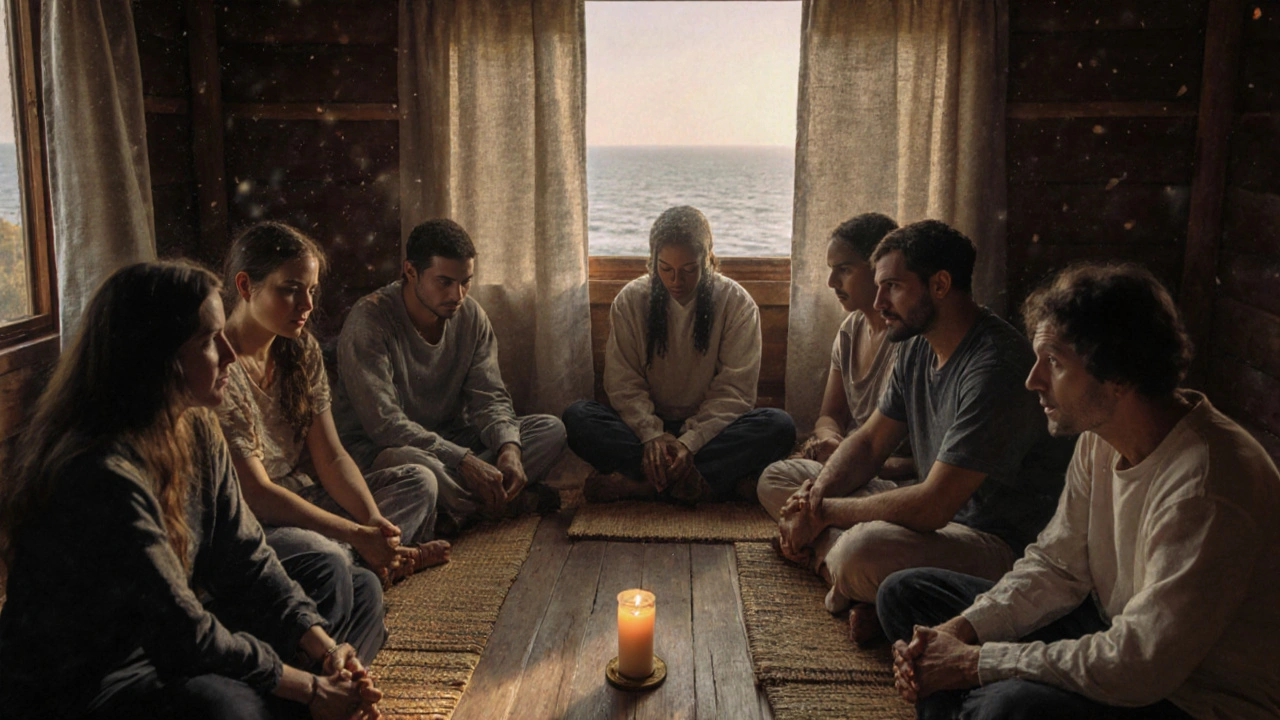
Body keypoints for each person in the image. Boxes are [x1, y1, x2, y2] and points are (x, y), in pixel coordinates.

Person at [879, 263, 1280, 720]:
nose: (1033, 380)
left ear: (1119, 374)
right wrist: (959, 633)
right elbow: (1058, 566)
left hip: (1192, 696)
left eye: (1054, 363)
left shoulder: (1208, 484)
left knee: (1007, 707)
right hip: (1113, 632)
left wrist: (976, 664)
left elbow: (1141, 663)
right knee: (908, 596)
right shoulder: (1100, 433)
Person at [0, 261, 383, 719]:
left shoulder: (197, 427)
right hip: (94, 680)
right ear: (154, 358)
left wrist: (326, 653)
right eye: (206, 341)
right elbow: (182, 633)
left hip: (178, 638)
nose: (227, 353)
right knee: (226, 707)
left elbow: (246, 556)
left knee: (358, 591)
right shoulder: (99, 473)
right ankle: (298, 703)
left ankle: (298, 697)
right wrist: (311, 688)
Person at [777, 220, 1072, 643]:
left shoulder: (995, 367)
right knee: (782, 480)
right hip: (932, 522)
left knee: (860, 551)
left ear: (940, 285)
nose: (878, 302)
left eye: (892, 286)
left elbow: (933, 505)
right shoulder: (916, 343)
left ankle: (844, 571)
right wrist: (816, 496)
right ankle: (860, 587)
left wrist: (823, 514)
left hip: (995, 543)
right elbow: (869, 442)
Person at [216, 222, 449, 604]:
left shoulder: (299, 349)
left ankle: (373, 559)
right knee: (322, 553)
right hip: (257, 521)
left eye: (310, 291)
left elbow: (331, 456)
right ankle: (372, 563)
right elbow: (256, 494)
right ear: (245, 287)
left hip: (305, 496)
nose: (306, 306)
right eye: (290, 291)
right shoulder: (221, 368)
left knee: (419, 482)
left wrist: (373, 523)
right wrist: (354, 534)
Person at [333, 218, 565, 532]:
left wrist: (509, 449)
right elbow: (384, 425)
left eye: (466, 281)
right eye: (444, 282)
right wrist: (464, 461)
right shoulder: (370, 321)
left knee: (550, 430)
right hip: (386, 452)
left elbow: (490, 398)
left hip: (451, 440)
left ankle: (454, 513)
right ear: (411, 271)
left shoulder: (470, 316)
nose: (458, 294)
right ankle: (491, 507)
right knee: (420, 469)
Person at [563, 205, 796, 505]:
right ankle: (699, 481)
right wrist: (653, 436)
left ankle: (643, 485)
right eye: (665, 269)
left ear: (708, 260)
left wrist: (690, 442)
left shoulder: (737, 304)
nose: (676, 281)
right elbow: (623, 383)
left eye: (689, 270)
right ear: (651, 262)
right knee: (578, 417)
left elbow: (735, 391)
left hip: (710, 433)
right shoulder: (631, 301)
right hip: (644, 432)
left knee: (779, 426)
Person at [757, 212, 915, 521]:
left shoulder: (910, 340)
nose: (832, 282)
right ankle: (828, 528)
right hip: (849, 466)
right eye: (832, 270)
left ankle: (821, 530)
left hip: (896, 478)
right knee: (773, 480)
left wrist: (860, 462)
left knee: (827, 509)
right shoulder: (849, 331)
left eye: (844, 270)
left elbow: (922, 458)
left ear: (878, 270)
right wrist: (830, 440)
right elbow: (830, 414)